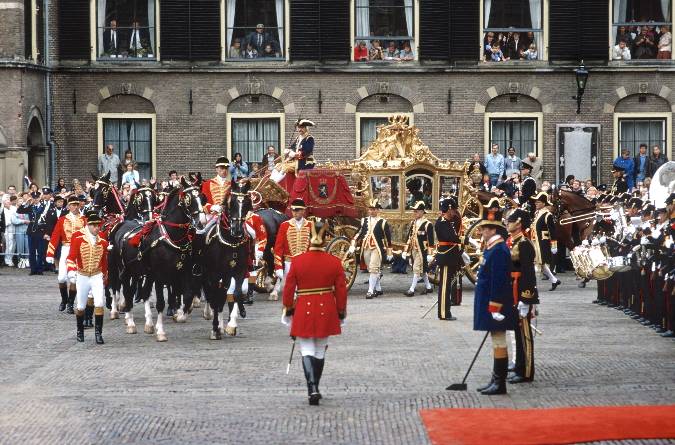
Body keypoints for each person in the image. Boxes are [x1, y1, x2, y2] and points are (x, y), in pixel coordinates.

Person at [281, 219, 347, 406]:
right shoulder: (334, 262)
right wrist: (341, 311)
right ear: (325, 240)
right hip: (326, 308)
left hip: (303, 307)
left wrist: (288, 307)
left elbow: (288, 289)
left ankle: (312, 388)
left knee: (307, 349)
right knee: (319, 350)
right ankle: (315, 386)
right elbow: (341, 290)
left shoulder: (297, 261)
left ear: (309, 238)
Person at [473, 202, 515, 395]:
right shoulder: (493, 247)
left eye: (484, 228)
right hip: (490, 302)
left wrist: (495, 307)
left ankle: (500, 382)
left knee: (499, 341)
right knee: (496, 340)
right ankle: (495, 379)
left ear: (493, 230)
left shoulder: (498, 250)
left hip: (495, 304)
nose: (481, 231)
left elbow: (498, 280)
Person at [505, 209, 539, 383]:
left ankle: (526, 371)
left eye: (509, 220)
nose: (506, 222)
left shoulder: (524, 244)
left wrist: (526, 299)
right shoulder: (512, 241)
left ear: (518, 223)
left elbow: (528, 274)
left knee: (524, 334)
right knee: (517, 333)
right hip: (512, 290)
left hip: (521, 292)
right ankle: (518, 366)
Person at [67, 210, 109, 344]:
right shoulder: (78, 239)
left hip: (96, 275)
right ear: (89, 226)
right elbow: (71, 257)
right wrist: (71, 271)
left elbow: (104, 261)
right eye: (95, 226)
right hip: (82, 276)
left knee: (100, 303)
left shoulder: (103, 241)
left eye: (99, 226)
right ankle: (80, 331)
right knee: (80, 306)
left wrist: (105, 275)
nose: (97, 228)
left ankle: (98, 334)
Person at [46, 196, 86, 313]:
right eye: (72, 205)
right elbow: (55, 236)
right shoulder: (62, 219)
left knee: (74, 278)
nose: (75, 207)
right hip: (66, 249)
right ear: (68, 206)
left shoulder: (84, 219)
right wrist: (50, 253)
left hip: (79, 251)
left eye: (76, 205)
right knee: (62, 277)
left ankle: (70, 303)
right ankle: (64, 299)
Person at [348, 199, 393, 299]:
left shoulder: (383, 222)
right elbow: (359, 233)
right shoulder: (364, 221)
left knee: (373, 268)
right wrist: (353, 244)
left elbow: (387, 237)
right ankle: (378, 288)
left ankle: (370, 291)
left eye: (374, 209)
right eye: (370, 209)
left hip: (377, 248)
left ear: (378, 210)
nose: (372, 211)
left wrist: (389, 252)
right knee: (371, 269)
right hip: (366, 247)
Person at [273, 199, 312, 298]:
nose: (295, 213)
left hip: (305, 264)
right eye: (293, 210)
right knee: (291, 291)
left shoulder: (310, 225)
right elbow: (278, 248)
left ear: (303, 211)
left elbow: (313, 246)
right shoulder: (285, 226)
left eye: (297, 210)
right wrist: (278, 267)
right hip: (289, 263)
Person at [434, 196, 463, 320]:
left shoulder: (448, 222)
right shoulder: (442, 223)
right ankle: (444, 313)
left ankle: (446, 311)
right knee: (445, 287)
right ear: (449, 209)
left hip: (450, 257)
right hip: (446, 257)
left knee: (447, 286)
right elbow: (450, 238)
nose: (455, 212)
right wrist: (464, 240)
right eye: (454, 210)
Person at [402, 201, 435, 296]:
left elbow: (431, 240)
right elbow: (409, 237)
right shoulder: (413, 222)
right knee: (422, 269)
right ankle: (429, 287)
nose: (414, 213)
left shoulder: (427, 224)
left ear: (421, 212)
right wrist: (405, 250)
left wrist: (430, 253)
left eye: (416, 211)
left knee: (416, 268)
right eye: (414, 211)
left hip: (422, 251)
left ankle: (412, 289)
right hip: (414, 249)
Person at [530, 192, 561, 290]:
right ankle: (554, 280)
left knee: (539, 262)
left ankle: (531, 284)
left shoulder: (548, 215)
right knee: (541, 263)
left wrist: (554, 245)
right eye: (536, 202)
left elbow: (552, 231)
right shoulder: (537, 213)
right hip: (536, 241)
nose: (536, 204)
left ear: (543, 203)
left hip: (543, 242)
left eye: (538, 202)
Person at [12, 195, 30, 269]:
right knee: (20, 247)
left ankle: (27, 262)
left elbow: (30, 219)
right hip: (19, 231)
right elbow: (14, 221)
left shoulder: (26, 211)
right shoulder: (15, 211)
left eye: (22, 201)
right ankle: (20, 261)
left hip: (27, 231)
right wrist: (23, 221)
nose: (21, 202)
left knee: (27, 247)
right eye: (19, 201)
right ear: (17, 203)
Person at [2, 196, 17, 267]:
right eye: (6, 200)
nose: (8, 202)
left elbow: (17, 216)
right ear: (3, 202)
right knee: (8, 245)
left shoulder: (14, 208)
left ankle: (10, 258)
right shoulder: (2, 210)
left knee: (13, 245)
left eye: (8, 200)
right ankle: (7, 260)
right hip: (7, 230)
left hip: (15, 229)